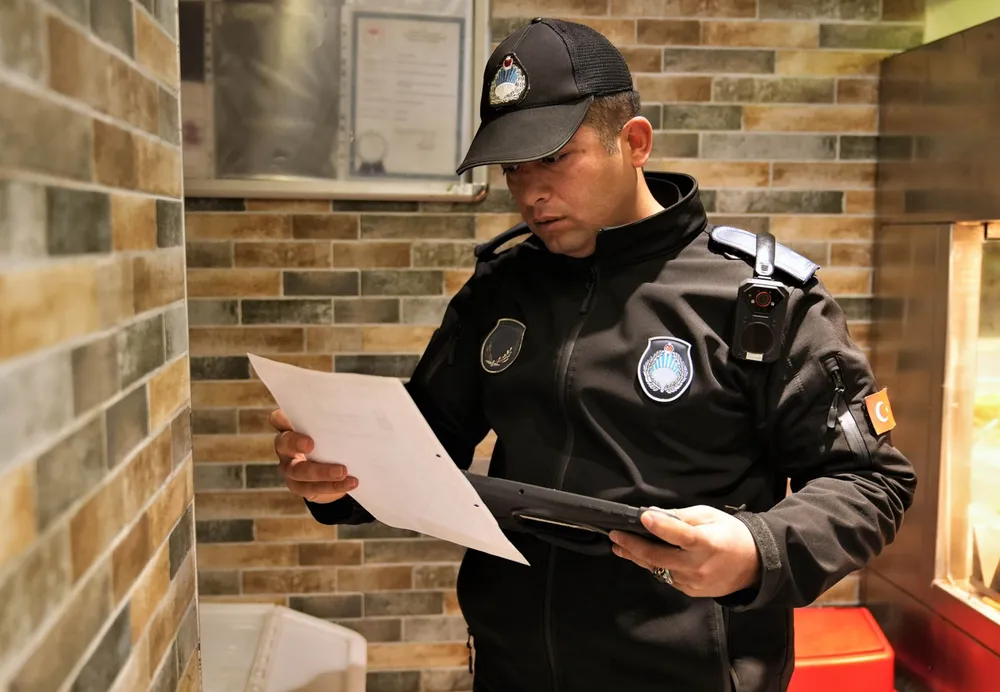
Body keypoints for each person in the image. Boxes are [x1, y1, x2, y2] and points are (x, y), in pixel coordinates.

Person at [269, 17, 917, 692]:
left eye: (553, 158)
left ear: (633, 142)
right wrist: (336, 477)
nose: (531, 192)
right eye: (513, 168)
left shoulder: (758, 300)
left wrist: (760, 549)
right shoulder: (502, 289)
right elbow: (421, 449)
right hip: (511, 673)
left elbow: (872, 482)